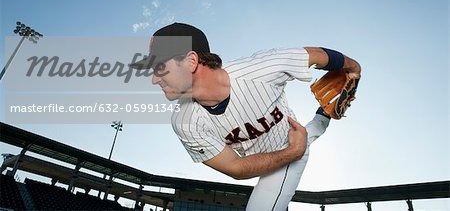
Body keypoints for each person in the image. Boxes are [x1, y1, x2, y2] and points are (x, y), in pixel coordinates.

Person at [130, 22, 361, 211]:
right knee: (305, 136)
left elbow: (316, 55)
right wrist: (293, 151)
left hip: (288, 146)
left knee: (301, 140)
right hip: (288, 150)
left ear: (191, 61)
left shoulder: (258, 70)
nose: (154, 79)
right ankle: (322, 117)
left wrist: (353, 67)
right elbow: (236, 168)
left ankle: (320, 120)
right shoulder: (185, 122)